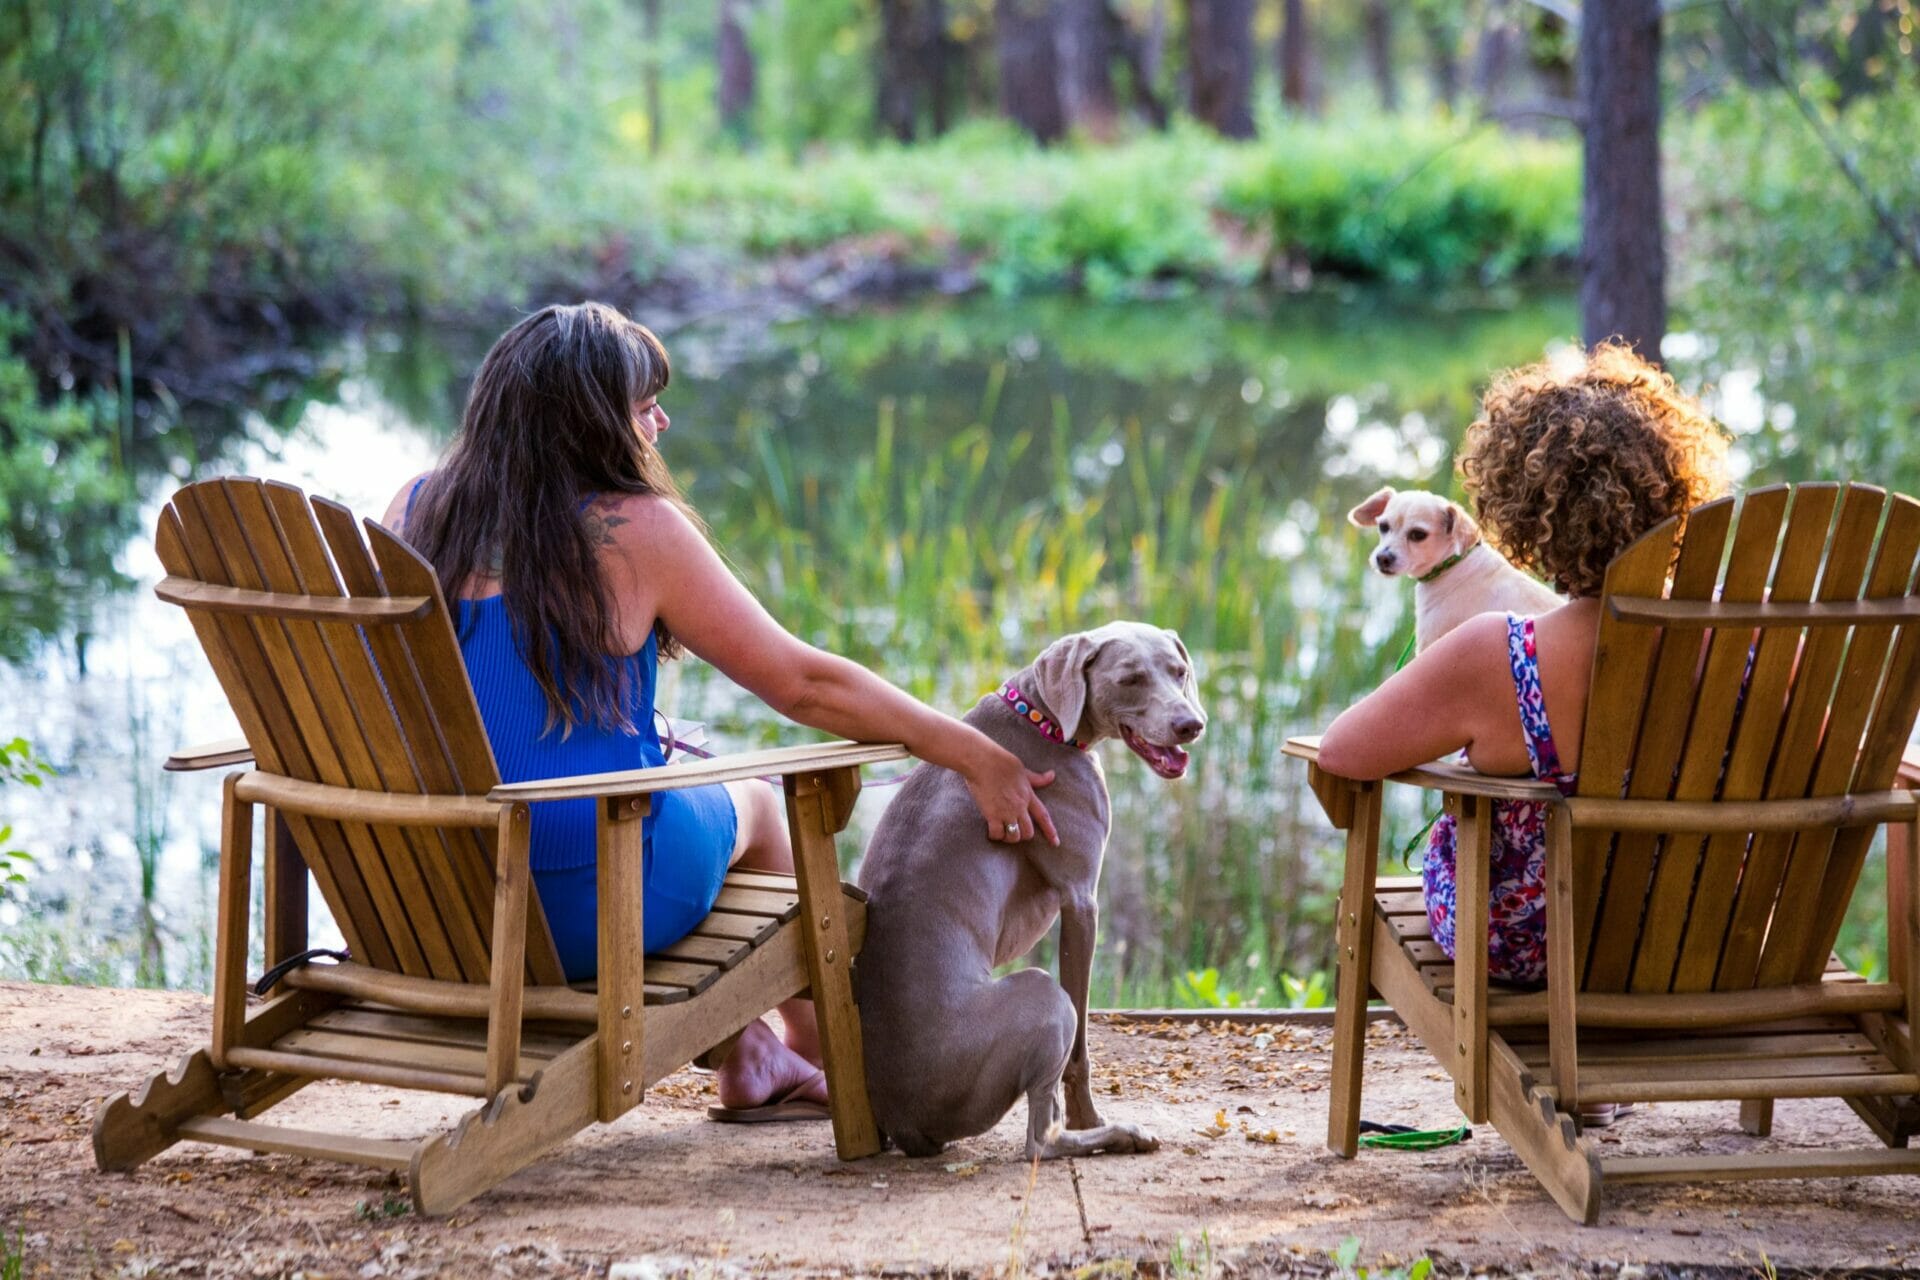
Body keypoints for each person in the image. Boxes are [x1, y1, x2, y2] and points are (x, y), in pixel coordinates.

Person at [384, 302, 1058, 1120]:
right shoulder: (631, 531)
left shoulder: (416, 510)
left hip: (432, 896)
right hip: (582, 901)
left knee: (683, 752)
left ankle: (750, 1051)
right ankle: (815, 1050)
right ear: (591, 421)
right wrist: (973, 753)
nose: (659, 421)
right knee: (762, 805)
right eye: (642, 407)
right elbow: (805, 685)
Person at [1316, 341, 1731, 1123]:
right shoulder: (1748, 640)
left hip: (1535, 948)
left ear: (1518, 512)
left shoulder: (1500, 650)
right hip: (1707, 930)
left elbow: (1342, 754)